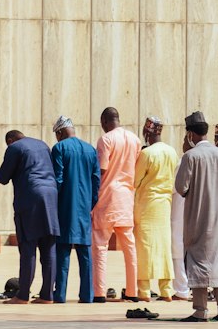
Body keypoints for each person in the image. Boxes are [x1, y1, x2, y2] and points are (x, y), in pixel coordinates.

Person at [0, 130, 60, 304]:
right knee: (49, 247)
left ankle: (23, 295)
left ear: (10, 140)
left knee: (28, 246)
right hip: (50, 196)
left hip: (30, 198)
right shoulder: (43, 144)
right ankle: (47, 295)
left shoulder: (14, 148)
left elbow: (4, 177)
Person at [173, 111, 218, 322]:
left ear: (190, 134)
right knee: (217, 260)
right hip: (217, 219)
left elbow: (181, 187)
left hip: (197, 218)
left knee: (198, 260)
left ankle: (200, 310)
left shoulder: (190, 157)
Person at [91, 107, 142, 304]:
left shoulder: (106, 139)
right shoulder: (134, 139)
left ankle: (99, 292)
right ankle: (132, 291)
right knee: (129, 247)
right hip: (126, 197)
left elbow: (102, 169)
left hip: (107, 197)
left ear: (104, 120)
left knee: (100, 246)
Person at [50, 116, 100, 304]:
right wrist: (89, 204)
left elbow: (58, 179)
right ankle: (87, 295)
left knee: (62, 252)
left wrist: (55, 204)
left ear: (60, 132)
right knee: (85, 254)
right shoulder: (90, 149)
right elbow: (96, 181)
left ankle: (60, 294)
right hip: (84, 207)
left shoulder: (59, 148)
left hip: (65, 206)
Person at [133, 117, 179, 303]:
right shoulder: (172, 152)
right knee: (163, 247)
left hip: (147, 204)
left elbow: (135, 181)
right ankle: (166, 289)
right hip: (165, 204)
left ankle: (144, 290)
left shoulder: (147, 154)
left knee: (144, 247)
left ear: (147, 133)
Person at [170, 136, 192, 302]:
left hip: (181, 209)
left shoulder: (185, 160)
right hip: (199, 211)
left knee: (177, 248)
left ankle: (182, 289)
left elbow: (174, 187)